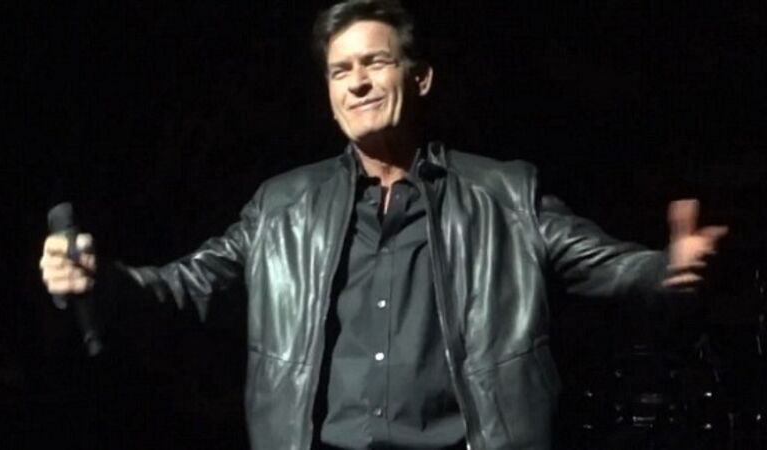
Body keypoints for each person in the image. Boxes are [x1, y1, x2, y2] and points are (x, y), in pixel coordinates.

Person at [40, 1, 728, 449]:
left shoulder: (503, 192)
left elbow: (607, 264)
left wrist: (666, 268)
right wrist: (103, 281)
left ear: (419, 78)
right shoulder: (282, 206)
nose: (358, 83)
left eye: (375, 62)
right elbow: (185, 285)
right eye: (340, 71)